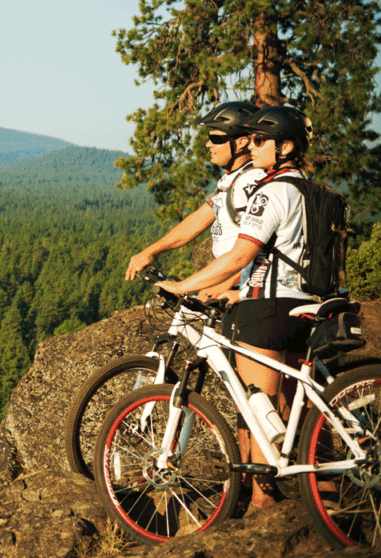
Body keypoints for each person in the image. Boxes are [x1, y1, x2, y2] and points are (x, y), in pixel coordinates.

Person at [156, 105, 315, 510]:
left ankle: (263, 504)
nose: (254, 146)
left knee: (257, 408)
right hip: (308, 306)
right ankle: (325, 501)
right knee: (302, 413)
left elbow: (240, 257)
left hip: (266, 307)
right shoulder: (312, 189)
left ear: (285, 147)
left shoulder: (270, 190)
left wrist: (184, 287)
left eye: (262, 140)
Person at [125, 101, 265, 302]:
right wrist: (150, 251)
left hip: (240, 286)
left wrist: (223, 283)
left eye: (216, 138)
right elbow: (197, 221)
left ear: (242, 142)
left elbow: (259, 246)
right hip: (228, 279)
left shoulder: (251, 181)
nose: (208, 144)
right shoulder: (232, 179)